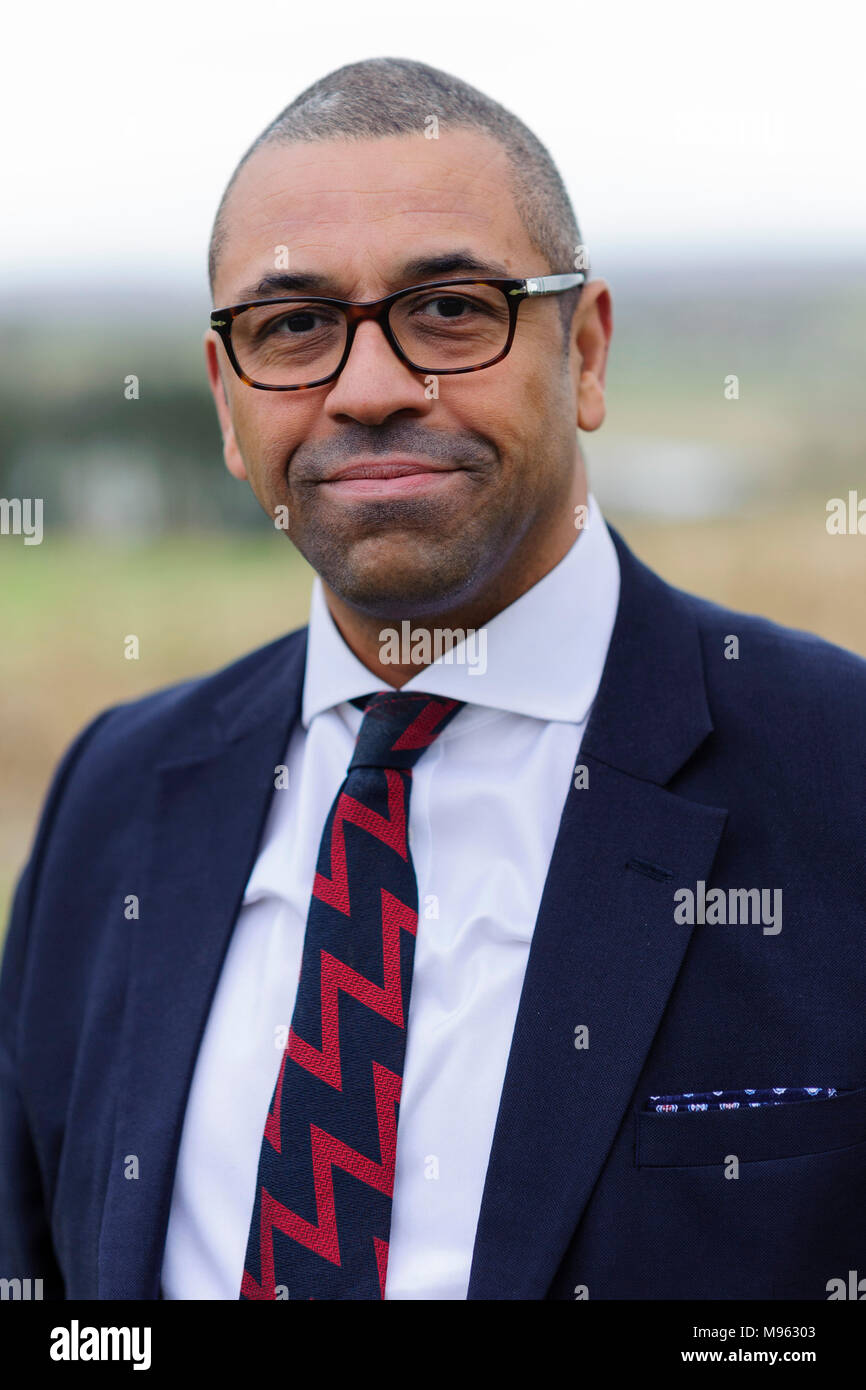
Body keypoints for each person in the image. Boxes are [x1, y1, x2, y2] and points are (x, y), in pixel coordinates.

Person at [2, 57, 864, 1302]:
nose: (366, 390)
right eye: (292, 325)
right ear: (226, 402)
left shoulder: (837, 775)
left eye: (451, 307)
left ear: (587, 352)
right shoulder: (116, 795)